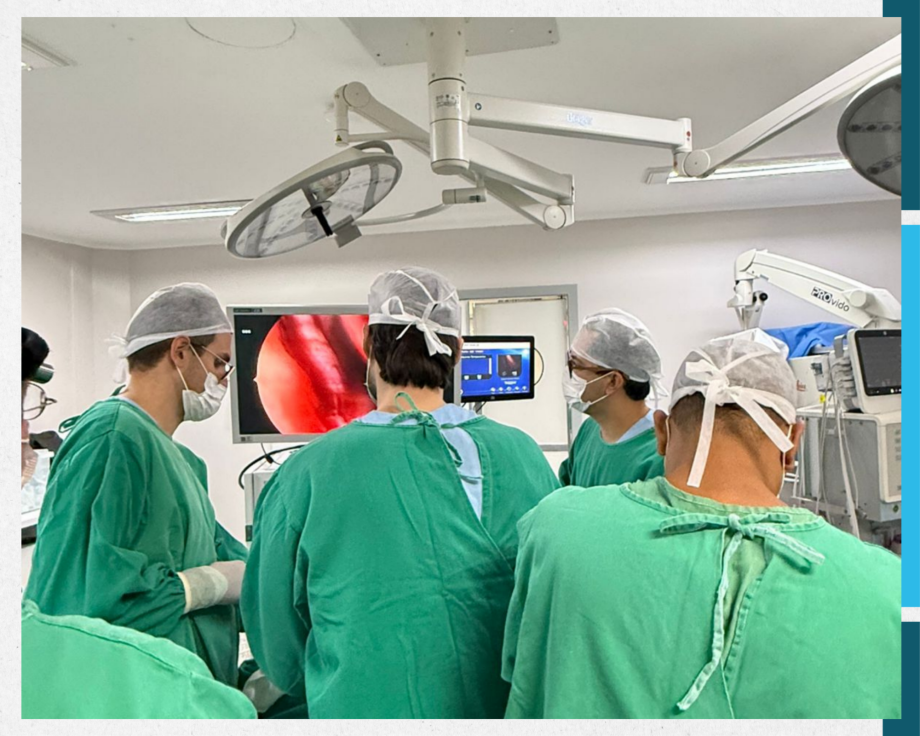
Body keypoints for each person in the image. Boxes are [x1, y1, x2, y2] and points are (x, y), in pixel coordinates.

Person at [502, 331, 901, 718]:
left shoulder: (554, 529)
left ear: (661, 431)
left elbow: (522, 671)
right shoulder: (890, 588)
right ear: (794, 442)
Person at [242, 267, 561, 718]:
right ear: (457, 351)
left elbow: (279, 647)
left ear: (368, 346)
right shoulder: (523, 456)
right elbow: (554, 605)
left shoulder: (307, 474)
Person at [20, 326, 255, 719]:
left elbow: (235, 562)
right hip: (123, 698)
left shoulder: (180, 461)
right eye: (221, 363)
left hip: (177, 693)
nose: (223, 380)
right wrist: (204, 585)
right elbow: (85, 599)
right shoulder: (112, 437)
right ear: (181, 351)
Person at [558, 308, 667, 487]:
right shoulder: (589, 430)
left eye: (576, 365)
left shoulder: (659, 455)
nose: (569, 373)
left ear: (613, 381)